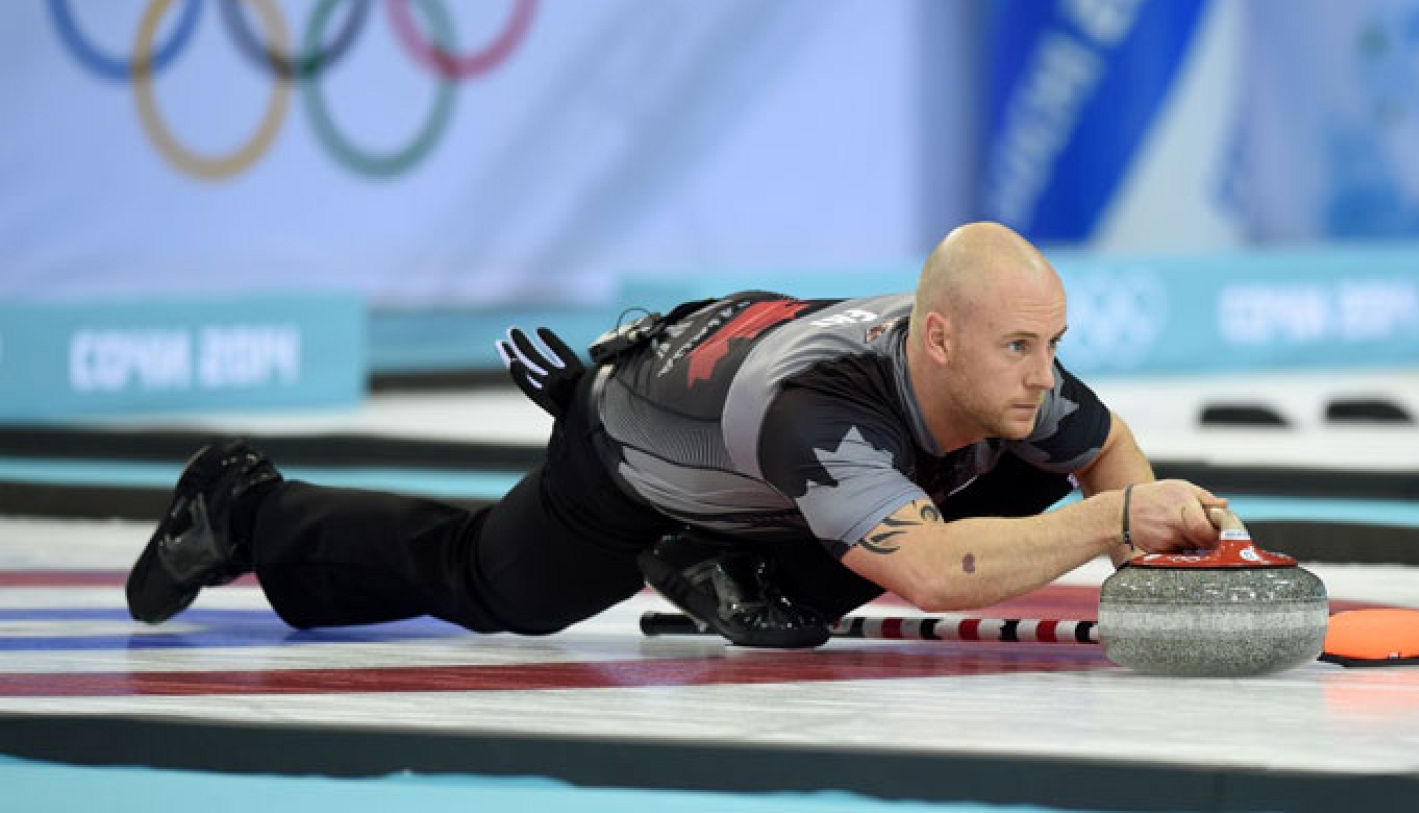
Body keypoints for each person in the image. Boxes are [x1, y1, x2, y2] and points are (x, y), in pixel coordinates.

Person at [126, 222, 1228, 647]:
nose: (1043, 374)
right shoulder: (825, 415)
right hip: (627, 451)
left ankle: (731, 561)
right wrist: (1117, 522)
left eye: (1053, 344)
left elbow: (1103, 445)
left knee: (1033, 475)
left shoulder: (997, 365)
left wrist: (1148, 563)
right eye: (1021, 348)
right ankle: (246, 505)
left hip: (735, 394)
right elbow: (936, 572)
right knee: (494, 588)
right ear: (938, 338)